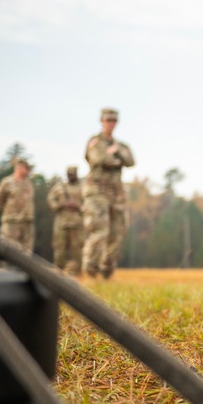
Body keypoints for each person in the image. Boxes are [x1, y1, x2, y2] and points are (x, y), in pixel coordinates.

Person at [82, 108, 135, 279]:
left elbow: (130, 161)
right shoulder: (95, 141)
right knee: (100, 230)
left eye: (114, 121)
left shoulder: (120, 145)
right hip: (97, 191)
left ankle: (107, 270)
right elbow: (97, 159)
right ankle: (90, 270)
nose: (111, 124)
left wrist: (116, 153)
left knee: (118, 232)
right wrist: (112, 157)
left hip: (116, 193)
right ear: (102, 121)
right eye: (108, 120)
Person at [47, 165, 84, 274]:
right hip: (61, 223)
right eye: (69, 174)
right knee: (60, 248)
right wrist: (59, 205)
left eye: (73, 174)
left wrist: (77, 206)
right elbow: (50, 200)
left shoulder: (83, 188)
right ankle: (59, 271)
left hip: (77, 223)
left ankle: (78, 272)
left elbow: (89, 204)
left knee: (77, 249)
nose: (71, 176)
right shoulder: (59, 187)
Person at [0, 158, 35, 254]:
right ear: (19, 168)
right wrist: (9, 212)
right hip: (11, 220)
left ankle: (25, 267)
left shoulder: (28, 183)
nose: (28, 171)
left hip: (27, 220)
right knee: (9, 246)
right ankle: (8, 267)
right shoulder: (7, 182)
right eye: (26, 169)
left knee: (26, 249)